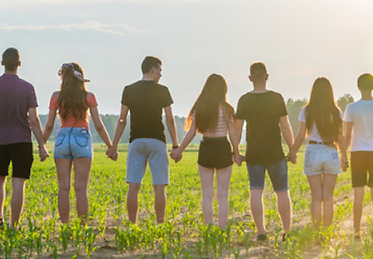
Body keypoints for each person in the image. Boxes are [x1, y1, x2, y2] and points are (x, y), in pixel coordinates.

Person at [0, 47, 49, 227]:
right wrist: (42, 145)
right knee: (18, 182)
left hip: (0, 141)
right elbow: (34, 120)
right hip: (22, 141)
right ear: (19, 64)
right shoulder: (27, 88)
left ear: (2, 63)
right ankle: (14, 224)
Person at [42, 63, 115, 223]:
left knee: (64, 187)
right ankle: (82, 227)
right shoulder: (88, 97)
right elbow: (98, 125)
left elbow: (49, 125)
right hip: (81, 136)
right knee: (81, 188)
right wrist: (111, 146)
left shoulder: (56, 97)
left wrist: (42, 145)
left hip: (62, 137)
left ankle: (65, 226)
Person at [108, 56, 178, 224]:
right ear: (152, 69)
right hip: (157, 141)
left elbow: (122, 120)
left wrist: (114, 146)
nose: (161, 74)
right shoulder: (163, 91)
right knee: (159, 186)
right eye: (160, 70)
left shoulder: (129, 90)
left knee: (133, 185)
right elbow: (169, 119)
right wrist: (175, 145)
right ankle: (160, 225)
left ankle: (133, 225)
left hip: (136, 141)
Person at [233, 62, 296, 241]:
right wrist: (292, 149)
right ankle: (286, 231)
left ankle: (261, 232)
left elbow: (237, 129)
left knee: (256, 191)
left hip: (253, 152)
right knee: (282, 191)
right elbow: (285, 126)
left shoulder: (244, 100)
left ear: (250, 78)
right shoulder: (276, 98)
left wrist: (236, 151)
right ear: (267, 77)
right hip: (275, 152)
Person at [171, 74, 240, 227]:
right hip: (222, 148)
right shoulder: (227, 109)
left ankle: (209, 229)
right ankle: (222, 228)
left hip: (206, 148)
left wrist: (179, 150)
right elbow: (233, 134)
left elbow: (191, 133)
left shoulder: (200, 108)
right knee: (223, 195)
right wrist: (236, 152)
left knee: (207, 194)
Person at [287, 77, 347, 229]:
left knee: (316, 197)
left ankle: (316, 231)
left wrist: (292, 152)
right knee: (328, 197)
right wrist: (344, 156)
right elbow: (340, 136)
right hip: (331, 151)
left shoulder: (307, 111)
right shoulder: (336, 111)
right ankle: (326, 232)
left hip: (313, 151)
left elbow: (301, 136)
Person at [343, 73, 373, 239]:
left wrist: (343, 154)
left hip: (357, 153)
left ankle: (356, 233)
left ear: (358, 87)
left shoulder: (351, 108)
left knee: (358, 195)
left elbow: (347, 135)